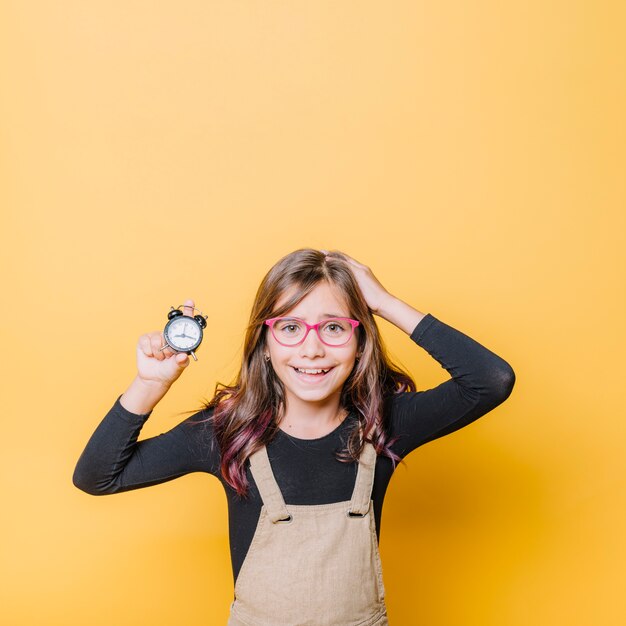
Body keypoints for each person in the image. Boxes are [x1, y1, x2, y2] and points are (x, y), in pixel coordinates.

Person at [73, 248, 515, 625]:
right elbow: (97, 476)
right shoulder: (225, 432)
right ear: (265, 344)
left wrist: (383, 302)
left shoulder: (385, 424)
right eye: (289, 328)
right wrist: (150, 385)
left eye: (334, 327)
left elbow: (491, 380)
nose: (312, 349)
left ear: (360, 342)